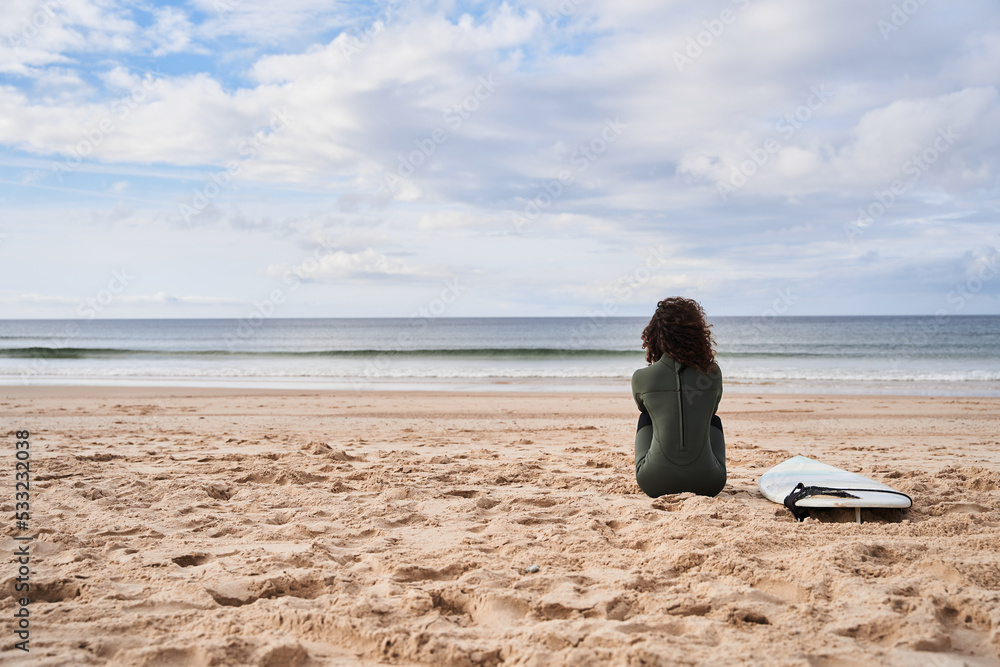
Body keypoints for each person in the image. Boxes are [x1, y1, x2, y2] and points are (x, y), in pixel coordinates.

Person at [631, 297, 726, 497]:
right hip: (709, 482)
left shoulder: (641, 377)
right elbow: (711, 409)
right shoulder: (713, 373)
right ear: (698, 334)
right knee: (712, 420)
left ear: (656, 336)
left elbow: (644, 408)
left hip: (654, 482)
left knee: (647, 416)